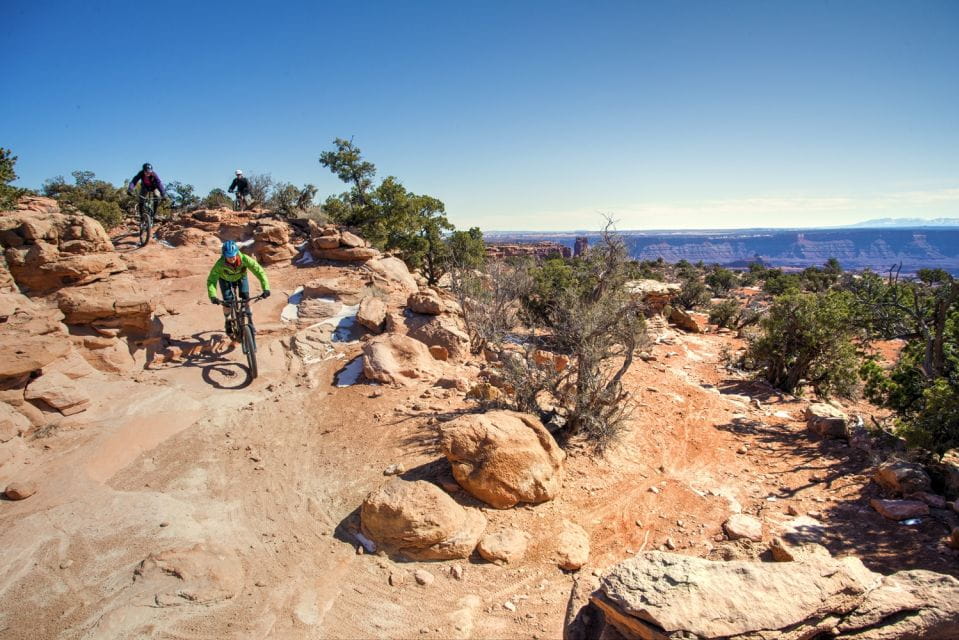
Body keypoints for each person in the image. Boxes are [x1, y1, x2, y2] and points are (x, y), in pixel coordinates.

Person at [206, 240, 271, 335]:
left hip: (241, 278)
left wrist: (266, 288)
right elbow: (211, 281)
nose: (232, 258)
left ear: (237, 252)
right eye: (229, 256)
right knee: (227, 301)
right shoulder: (219, 264)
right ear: (224, 255)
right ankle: (228, 320)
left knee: (246, 298)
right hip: (225, 280)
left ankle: (250, 321)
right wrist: (213, 296)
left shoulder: (244, 259)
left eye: (233, 255)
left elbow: (259, 271)